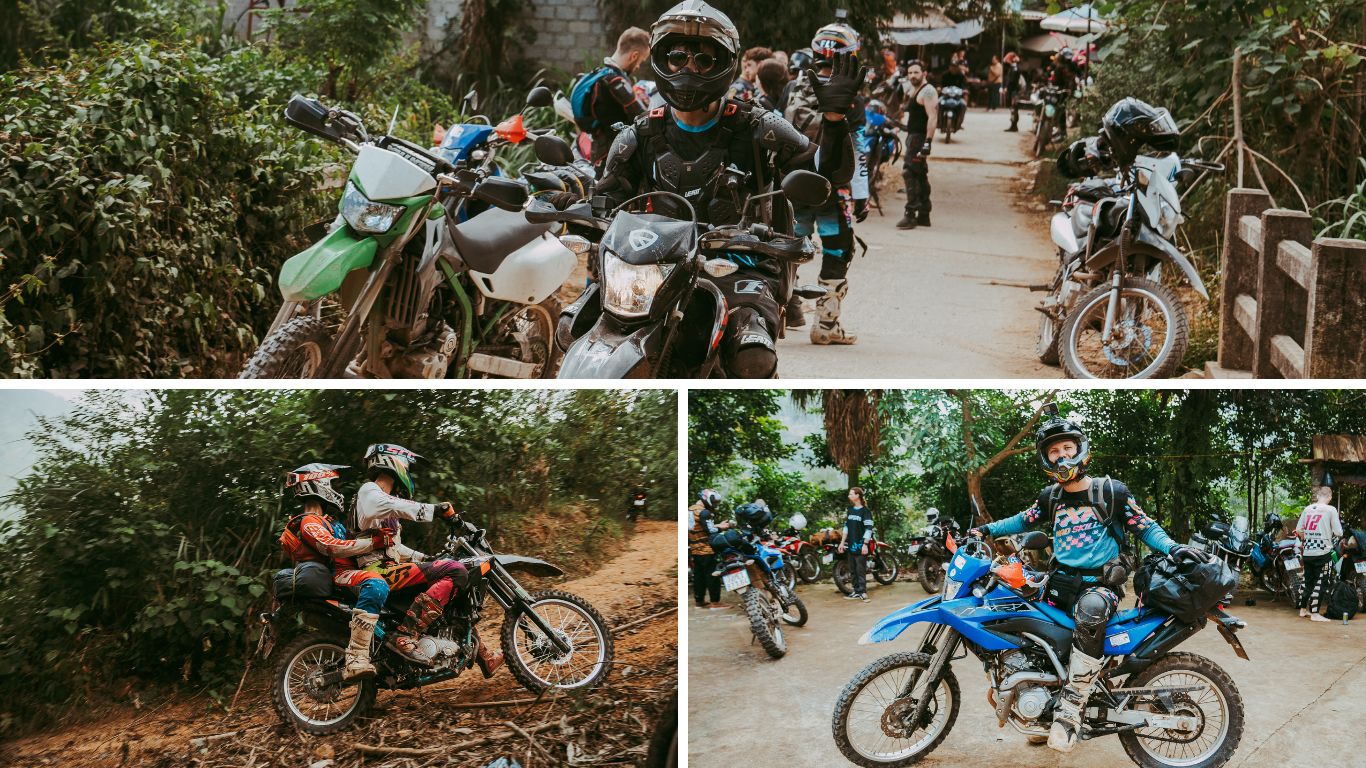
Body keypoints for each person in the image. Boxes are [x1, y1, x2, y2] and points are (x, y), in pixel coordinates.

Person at [595, 0, 858, 378]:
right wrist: (568, 202)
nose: (689, 69)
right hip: (651, 273)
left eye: (703, 60)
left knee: (754, 358)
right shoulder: (641, 133)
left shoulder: (759, 127)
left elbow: (827, 174)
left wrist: (834, 120)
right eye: (678, 57)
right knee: (574, 328)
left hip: (740, 268)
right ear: (663, 60)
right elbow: (604, 200)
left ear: (723, 63)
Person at [966, 408, 1203, 754]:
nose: (1062, 456)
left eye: (1067, 448)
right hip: (1057, 584)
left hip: (1099, 588)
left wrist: (1173, 547)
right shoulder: (1050, 497)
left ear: (1081, 449)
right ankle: (1040, 712)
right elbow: (1022, 520)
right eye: (1053, 451)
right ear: (1045, 459)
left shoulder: (1111, 492)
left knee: (1090, 613)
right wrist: (985, 529)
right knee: (1030, 633)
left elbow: (1145, 527)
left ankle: (1070, 714)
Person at [342, 443, 503, 676]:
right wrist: (435, 509)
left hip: (389, 567)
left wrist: (426, 557)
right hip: (377, 571)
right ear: (394, 462)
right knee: (456, 571)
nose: (408, 474)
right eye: (407, 468)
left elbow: (395, 548)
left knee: (449, 585)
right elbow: (395, 508)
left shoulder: (382, 503)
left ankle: (483, 655)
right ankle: (405, 635)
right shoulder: (370, 491)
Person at [780, 21, 867, 344]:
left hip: (794, 186)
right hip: (832, 190)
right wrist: (862, 195)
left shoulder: (793, 87)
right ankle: (826, 326)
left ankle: (777, 315)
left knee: (787, 249)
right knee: (837, 250)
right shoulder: (850, 96)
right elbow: (857, 149)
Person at [281, 463, 394, 681]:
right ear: (318, 483)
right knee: (376, 584)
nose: (335, 490)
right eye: (331, 484)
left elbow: (354, 543)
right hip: (339, 575)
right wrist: (373, 542)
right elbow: (330, 547)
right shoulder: (309, 520)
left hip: (351, 571)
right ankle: (357, 657)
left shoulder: (331, 522)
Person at [576, 27, 651, 173]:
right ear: (634, 56)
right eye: (641, 61)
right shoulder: (615, 82)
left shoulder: (599, 75)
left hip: (598, 151)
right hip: (615, 157)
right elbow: (642, 117)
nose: (638, 66)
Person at [896, 60, 936, 230]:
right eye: (910, 73)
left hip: (918, 139)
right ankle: (924, 213)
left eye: (916, 72)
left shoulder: (928, 91)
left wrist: (928, 142)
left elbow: (932, 117)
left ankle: (911, 214)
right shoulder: (915, 90)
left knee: (909, 173)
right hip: (913, 137)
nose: (912, 76)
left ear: (924, 73)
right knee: (919, 174)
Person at [1294, 485, 1343, 621]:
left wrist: (1309, 537)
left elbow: (1299, 530)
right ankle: (1315, 614)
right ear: (1330, 497)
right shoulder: (1331, 509)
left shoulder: (1307, 509)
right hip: (1323, 551)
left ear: (1317, 496)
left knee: (1308, 580)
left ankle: (1303, 610)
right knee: (1321, 582)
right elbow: (1339, 532)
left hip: (1308, 551)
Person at [689, 489, 726, 607]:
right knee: (712, 575)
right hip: (706, 549)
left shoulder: (690, 510)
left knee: (699, 576)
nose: (714, 504)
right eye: (714, 502)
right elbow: (710, 530)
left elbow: (699, 527)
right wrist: (722, 528)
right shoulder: (704, 512)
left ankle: (699, 601)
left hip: (694, 548)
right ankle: (715, 602)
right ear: (707, 499)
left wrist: (718, 525)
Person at [838, 486, 873, 601]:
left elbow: (869, 528)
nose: (849, 496)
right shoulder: (850, 510)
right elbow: (846, 527)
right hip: (851, 544)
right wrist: (842, 543)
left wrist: (865, 544)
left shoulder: (865, 511)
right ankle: (856, 591)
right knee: (852, 570)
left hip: (861, 545)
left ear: (857, 496)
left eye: (851, 494)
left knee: (860, 570)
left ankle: (863, 592)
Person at [1002, 51, 1023, 132]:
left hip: (1014, 91)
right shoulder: (1014, 68)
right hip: (1014, 90)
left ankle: (1014, 126)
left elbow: (1012, 80)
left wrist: (1007, 87)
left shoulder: (1014, 68)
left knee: (1014, 108)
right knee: (1014, 109)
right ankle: (1013, 125)